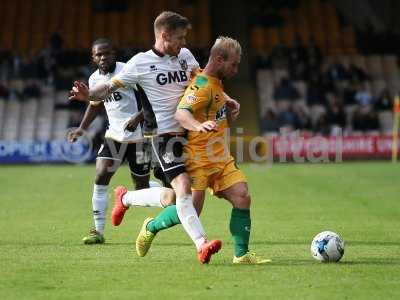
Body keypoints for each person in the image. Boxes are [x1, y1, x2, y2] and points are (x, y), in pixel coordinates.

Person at [69, 12, 240, 263]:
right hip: (163, 135)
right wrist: (90, 94)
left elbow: (203, 81)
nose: (183, 43)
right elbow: (109, 86)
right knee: (183, 187)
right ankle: (201, 244)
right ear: (164, 35)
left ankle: (125, 198)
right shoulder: (139, 63)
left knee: (172, 198)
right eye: (179, 38)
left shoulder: (185, 56)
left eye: (185, 38)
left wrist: (226, 99)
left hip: (189, 135)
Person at [130, 37, 271, 264]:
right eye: (233, 64)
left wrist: (228, 102)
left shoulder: (215, 84)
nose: (236, 70)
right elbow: (181, 113)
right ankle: (151, 226)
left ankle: (241, 254)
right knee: (191, 210)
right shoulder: (201, 86)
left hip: (221, 157)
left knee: (242, 197)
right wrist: (198, 125)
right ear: (218, 59)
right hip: (198, 159)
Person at [68, 38, 175, 245]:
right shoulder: (93, 79)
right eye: (98, 54)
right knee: (101, 175)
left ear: (113, 54)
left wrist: (137, 118)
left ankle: (165, 192)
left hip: (140, 138)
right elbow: (94, 104)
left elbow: (152, 99)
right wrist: (82, 128)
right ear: (93, 57)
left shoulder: (129, 71)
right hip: (114, 136)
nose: (103, 58)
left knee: (141, 186)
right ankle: (97, 231)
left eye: (106, 53)